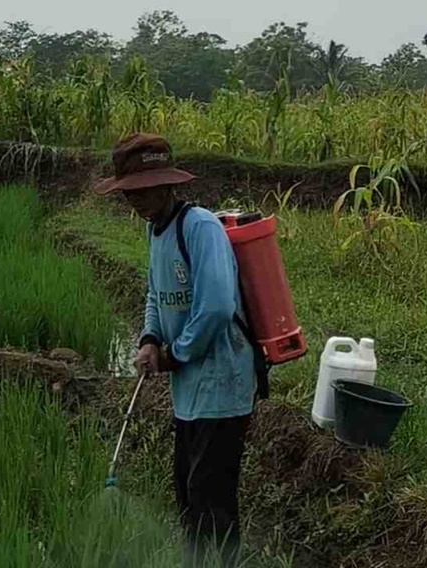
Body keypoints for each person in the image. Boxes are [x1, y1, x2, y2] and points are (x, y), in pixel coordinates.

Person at [94, 133, 256, 567]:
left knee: (211, 499)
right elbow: (155, 292)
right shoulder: (155, 230)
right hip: (190, 391)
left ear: (169, 185)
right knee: (188, 492)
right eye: (130, 192)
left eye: (146, 189)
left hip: (222, 385)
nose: (137, 200)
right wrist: (150, 339)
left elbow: (218, 307)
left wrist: (173, 354)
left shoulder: (199, 227)